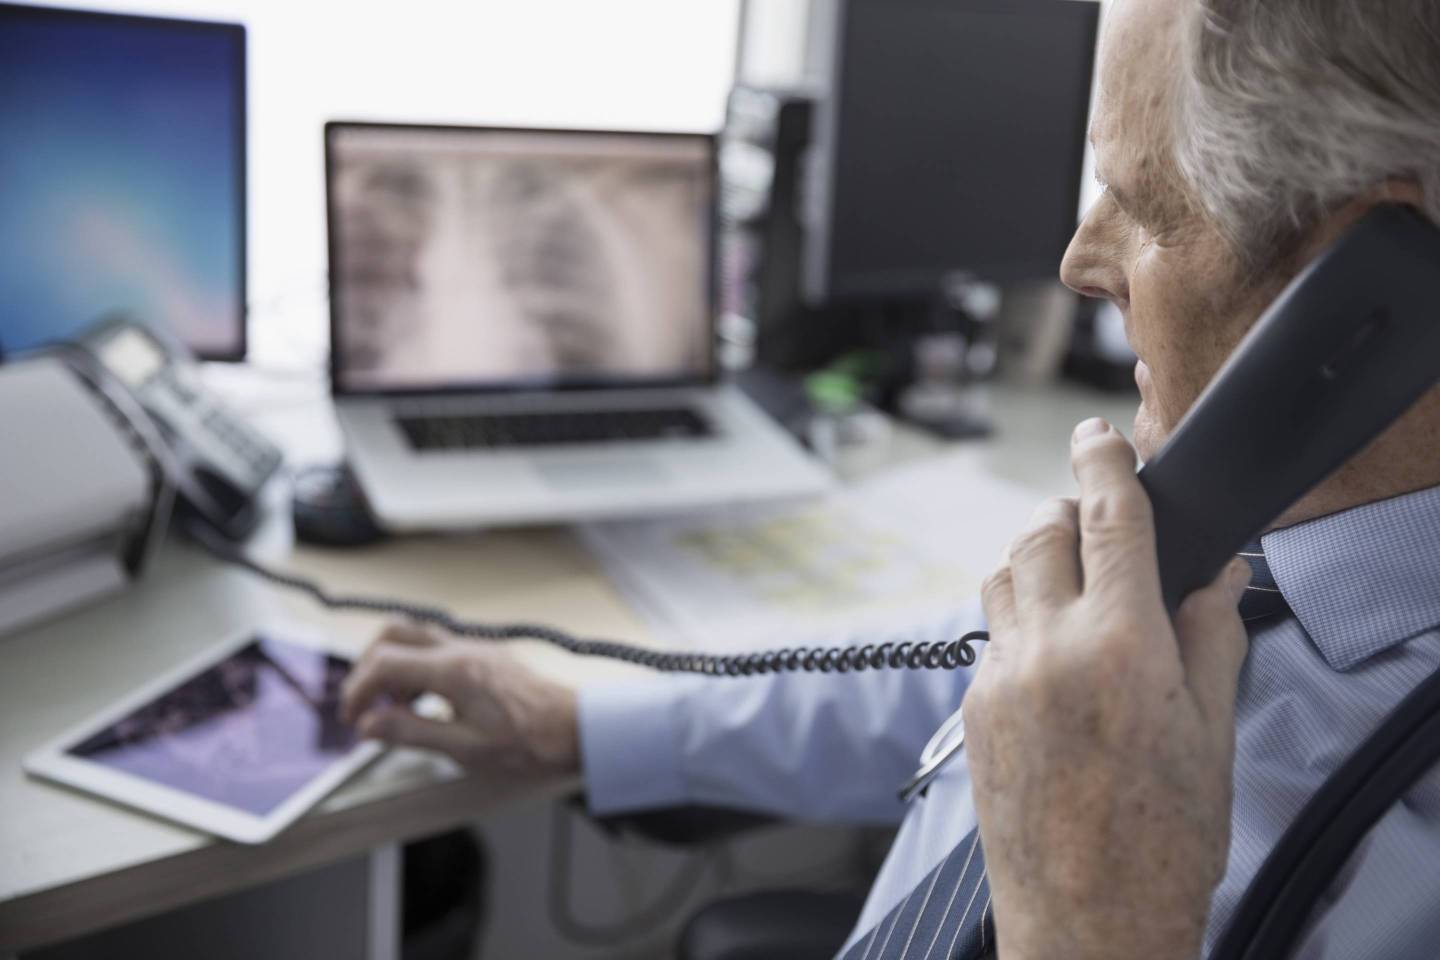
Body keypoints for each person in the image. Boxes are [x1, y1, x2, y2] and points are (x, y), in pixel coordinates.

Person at [341, 0, 1440, 955]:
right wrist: (579, 724)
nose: (1078, 262)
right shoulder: (1231, 550)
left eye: (1143, 206)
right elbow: (964, 688)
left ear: (1369, 288)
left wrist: (1092, 933)